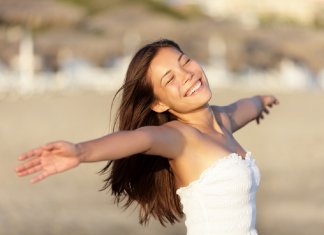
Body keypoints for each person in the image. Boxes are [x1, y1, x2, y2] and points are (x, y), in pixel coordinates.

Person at [16, 39, 279, 235]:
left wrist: (262, 100)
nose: (187, 75)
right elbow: (141, 139)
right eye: (170, 79)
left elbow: (246, 107)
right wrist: (80, 151)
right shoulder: (180, 138)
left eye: (184, 61)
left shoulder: (223, 120)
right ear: (159, 104)